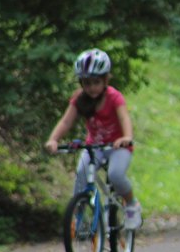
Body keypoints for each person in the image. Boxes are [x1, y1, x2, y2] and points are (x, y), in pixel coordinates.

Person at [45, 48, 142, 230]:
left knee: (115, 174)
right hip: (95, 146)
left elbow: (124, 118)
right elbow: (66, 121)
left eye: (96, 82)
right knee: (82, 172)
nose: (91, 88)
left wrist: (127, 137)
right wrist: (54, 140)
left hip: (117, 146)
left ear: (106, 80)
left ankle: (131, 205)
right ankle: (79, 213)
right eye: (87, 83)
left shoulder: (114, 97)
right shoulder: (80, 99)